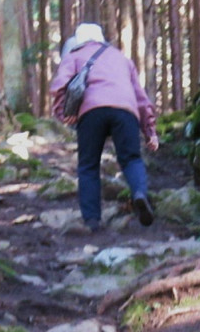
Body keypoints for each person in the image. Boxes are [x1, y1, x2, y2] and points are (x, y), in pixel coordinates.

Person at [49, 23, 159, 233]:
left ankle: (92, 220)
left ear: (79, 40)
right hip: (126, 111)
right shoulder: (122, 58)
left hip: (91, 112)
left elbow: (59, 86)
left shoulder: (74, 55)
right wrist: (150, 131)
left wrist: (63, 114)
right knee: (131, 159)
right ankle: (139, 194)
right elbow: (141, 98)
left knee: (88, 165)